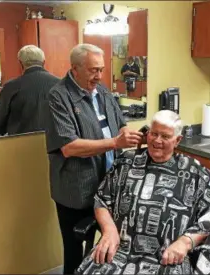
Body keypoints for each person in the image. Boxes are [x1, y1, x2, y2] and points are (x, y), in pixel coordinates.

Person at [76, 110, 210, 275]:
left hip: (168, 258)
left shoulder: (196, 174)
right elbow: (101, 200)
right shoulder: (126, 163)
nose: (157, 140)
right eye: (153, 134)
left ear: (178, 140)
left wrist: (186, 242)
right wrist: (109, 230)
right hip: (120, 250)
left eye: (165, 136)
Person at [44, 43, 143, 274]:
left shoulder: (104, 91)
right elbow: (69, 147)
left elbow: (119, 125)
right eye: (93, 70)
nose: (98, 76)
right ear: (75, 69)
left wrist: (129, 135)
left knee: (114, 241)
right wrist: (115, 143)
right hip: (76, 189)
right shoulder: (58, 96)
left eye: (101, 69)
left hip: (109, 186)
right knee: (74, 250)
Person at [0, 45, 59, 135]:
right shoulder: (60, 84)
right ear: (44, 62)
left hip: (21, 144)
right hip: (55, 143)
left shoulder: (10, 87)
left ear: (20, 63)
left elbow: (1, 122)